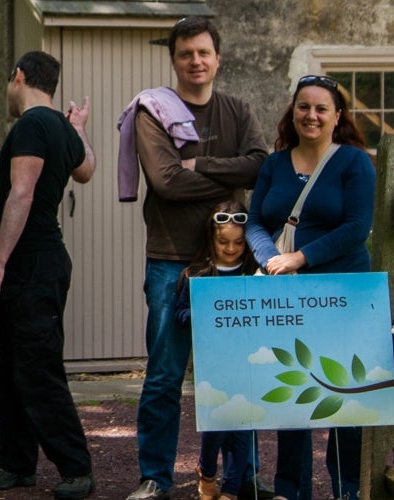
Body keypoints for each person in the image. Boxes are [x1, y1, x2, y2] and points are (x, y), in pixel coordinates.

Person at [123, 16, 271, 500]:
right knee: (165, 374)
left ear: (218, 58)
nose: (196, 61)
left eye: (204, 52)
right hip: (173, 261)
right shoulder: (153, 111)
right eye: (186, 53)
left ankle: (240, 479)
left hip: (233, 261)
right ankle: (155, 478)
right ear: (174, 60)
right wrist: (228, 182)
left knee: (235, 373)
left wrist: (203, 165)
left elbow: (259, 164)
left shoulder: (236, 109)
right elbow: (166, 181)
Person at [244, 74, 375, 500]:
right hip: (286, 293)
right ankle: (291, 490)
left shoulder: (355, 163)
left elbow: (358, 226)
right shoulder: (274, 164)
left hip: (342, 293)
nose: (312, 115)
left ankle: (347, 488)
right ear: (292, 112)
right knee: (295, 389)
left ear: (337, 117)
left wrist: (300, 258)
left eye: (322, 108)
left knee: (347, 395)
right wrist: (269, 259)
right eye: (304, 107)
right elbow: (257, 221)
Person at [0, 50, 97, 499]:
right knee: (9, 368)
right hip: (35, 267)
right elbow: (86, 171)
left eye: (10, 81)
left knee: (38, 368)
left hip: (31, 266)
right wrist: (80, 129)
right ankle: (16, 463)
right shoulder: (62, 128)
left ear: (19, 75)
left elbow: (21, 195)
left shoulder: (30, 125)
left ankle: (76, 468)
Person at [172, 201, 258, 500]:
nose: (231, 249)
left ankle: (232, 490)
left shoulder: (255, 273)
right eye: (224, 242)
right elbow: (180, 314)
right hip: (213, 364)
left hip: (249, 362)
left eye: (238, 242)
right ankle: (207, 473)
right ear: (211, 238)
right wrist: (203, 313)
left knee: (243, 427)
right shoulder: (196, 274)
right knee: (219, 422)